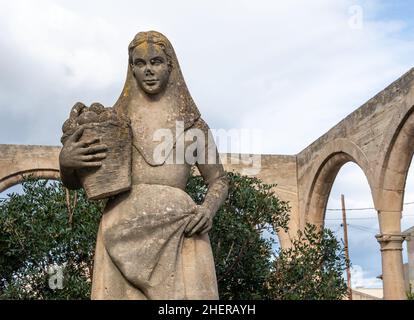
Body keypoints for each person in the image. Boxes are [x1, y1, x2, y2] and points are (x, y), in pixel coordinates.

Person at [59, 31, 228, 300]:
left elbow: (218, 179)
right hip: (121, 229)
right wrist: (67, 165)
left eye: (157, 62)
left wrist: (207, 209)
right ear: (132, 69)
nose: (148, 70)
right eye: (140, 64)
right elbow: (78, 180)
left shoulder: (193, 125)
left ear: (170, 66)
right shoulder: (113, 123)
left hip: (182, 231)